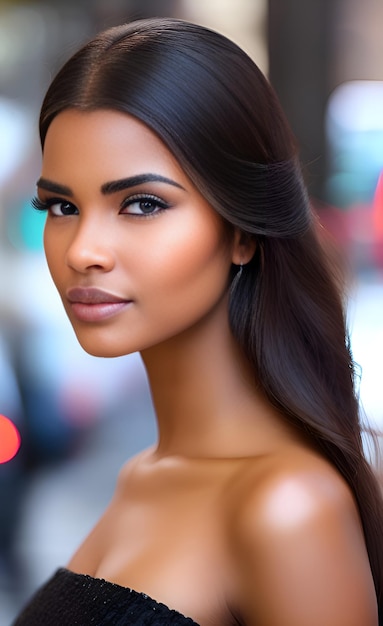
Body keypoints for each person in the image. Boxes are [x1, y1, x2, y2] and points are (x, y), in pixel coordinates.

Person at [14, 17, 383, 626]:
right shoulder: (143, 475)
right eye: (62, 206)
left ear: (240, 231)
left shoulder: (287, 508)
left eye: (142, 204)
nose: (83, 250)